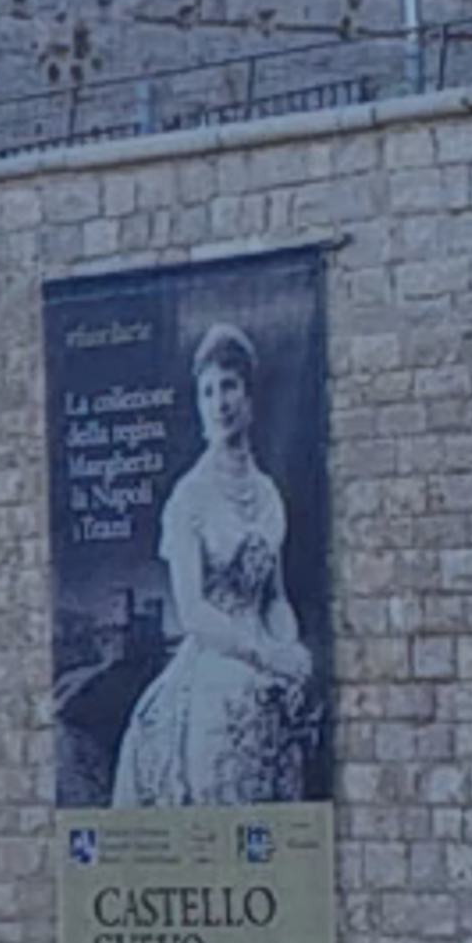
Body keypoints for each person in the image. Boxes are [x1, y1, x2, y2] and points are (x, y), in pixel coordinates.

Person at [114, 325, 318, 802]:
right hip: (213, 655)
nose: (219, 401)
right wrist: (267, 655)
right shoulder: (189, 498)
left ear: (249, 394)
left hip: (265, 650)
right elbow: (194, 613)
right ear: (199, 404)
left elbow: (276, 598)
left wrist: (291, 656)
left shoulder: (268, 495)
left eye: (229, 386)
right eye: (207, 391)